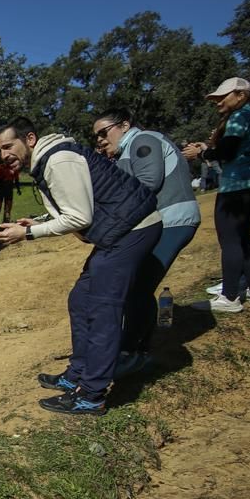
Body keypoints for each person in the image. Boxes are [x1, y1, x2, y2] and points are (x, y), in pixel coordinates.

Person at [0, 116, 160, 416]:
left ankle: (92, 395)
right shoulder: (50, 160)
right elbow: (79, 204)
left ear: (29, 139)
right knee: (80, 300)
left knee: (102, 308)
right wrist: (40, 221)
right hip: (117, 232)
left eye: (8, 146)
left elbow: (80, 218)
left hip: (131, 230)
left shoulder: (58, 160)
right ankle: (78, 374)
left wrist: (27, 233)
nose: (4, 155)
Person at [92, 109, 200, 376]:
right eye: (96, 137)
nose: (100, 140)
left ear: (125, 125)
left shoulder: (144, 141)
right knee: (137, 285)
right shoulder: (125, 152)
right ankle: (135, 348)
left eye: (104, 132)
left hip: (172, 220)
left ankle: (134, 352)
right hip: (162, 222)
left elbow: (148, 182)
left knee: (138, 286)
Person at [182, 77, 250, 312]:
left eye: (221, 97)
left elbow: (228, 150)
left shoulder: (239, 117)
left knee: (231, 239)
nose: (217, 102)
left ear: (240, 95)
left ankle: (230, 297)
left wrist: (202, 154)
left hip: (237, 186)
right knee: (243, 238)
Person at [0, 158, 21, 223]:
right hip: (0, 188)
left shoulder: (14, 168)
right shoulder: (1, 167)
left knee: (8, 208)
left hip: (9, 188)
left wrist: (18, 189)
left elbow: (16, 179)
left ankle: (6, 224)